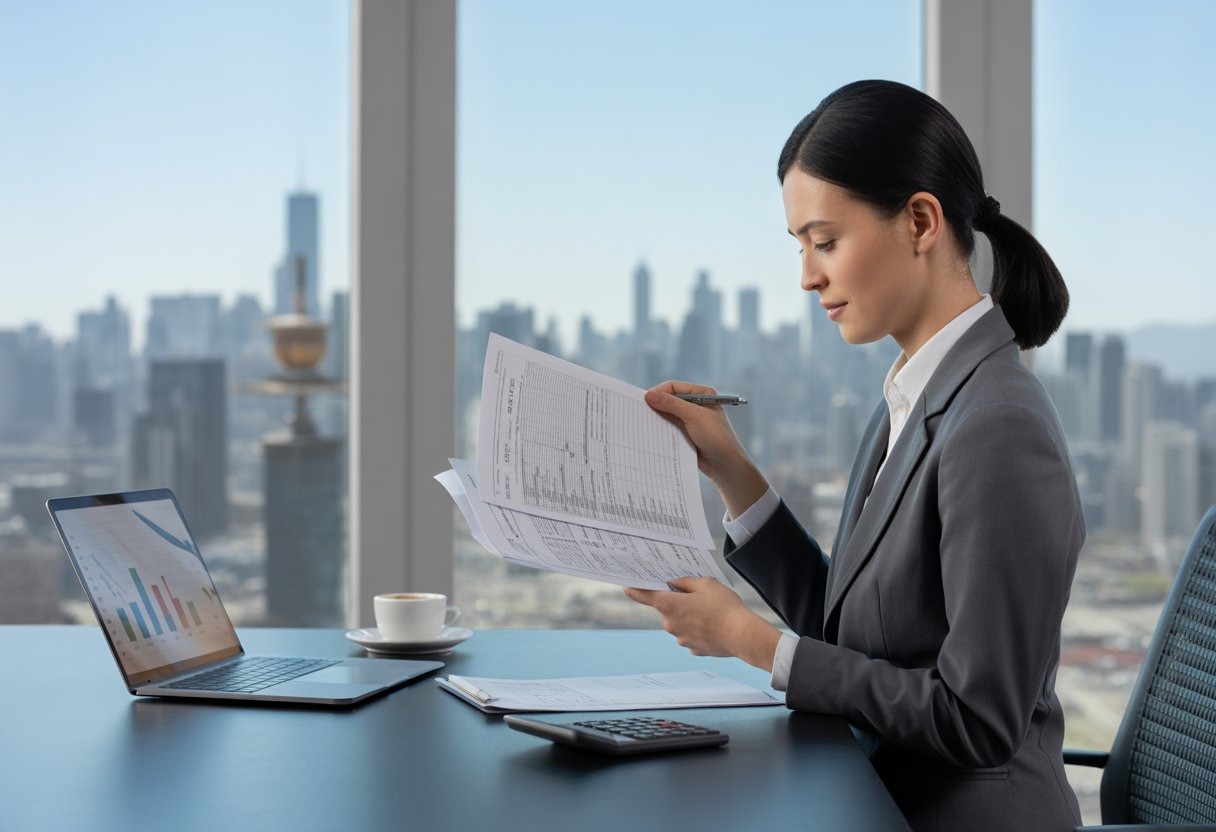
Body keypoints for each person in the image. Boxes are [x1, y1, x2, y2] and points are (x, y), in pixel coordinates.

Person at [624, 79, 1084, 832]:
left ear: (921, 221)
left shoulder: (998, 425)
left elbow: (978, 721)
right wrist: (732, 474)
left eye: (825, 242)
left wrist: (753, 642)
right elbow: (856, 638)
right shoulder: (911, 397)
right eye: (801, 246)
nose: (808, 276)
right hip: (874, 795)